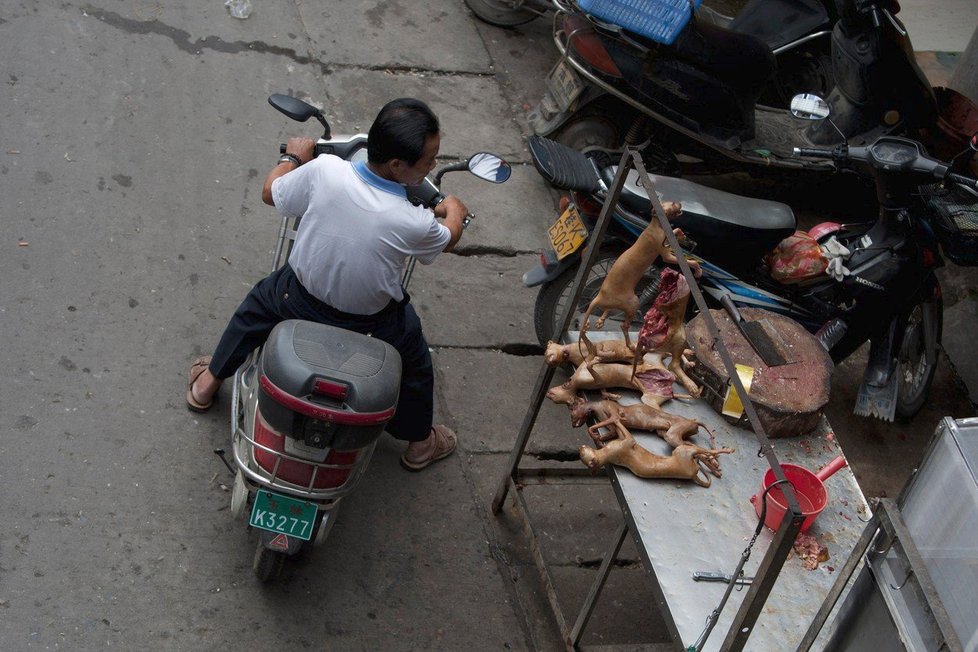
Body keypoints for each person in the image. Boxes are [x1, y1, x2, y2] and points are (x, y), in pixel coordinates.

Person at [186, 97, 468, 471]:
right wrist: (456, 211)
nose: (432, 166)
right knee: (415, 361)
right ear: (398, 165)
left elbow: (272, 192)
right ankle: (420, 443)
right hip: (372, 326)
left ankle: (207, 384)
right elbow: (447, 238)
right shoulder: (413, 221)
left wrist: (293, 158)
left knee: (256, 307)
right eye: (429, 160)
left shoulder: (326, 171)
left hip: (296, 300)